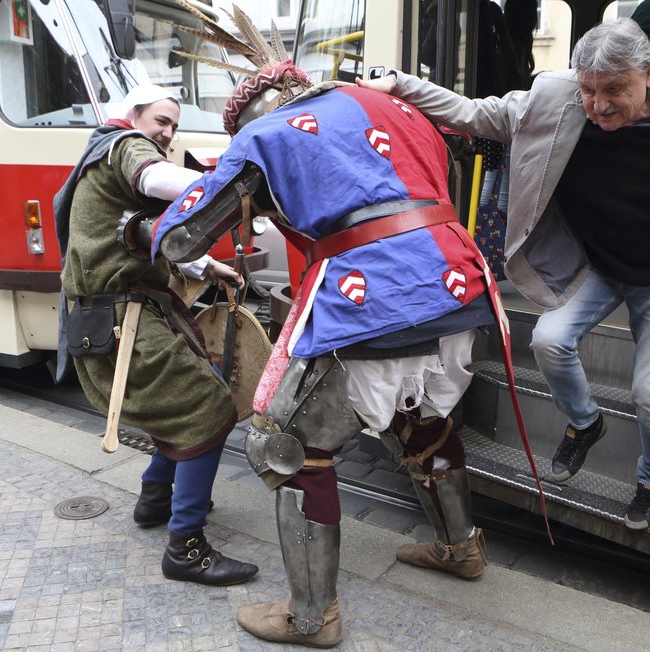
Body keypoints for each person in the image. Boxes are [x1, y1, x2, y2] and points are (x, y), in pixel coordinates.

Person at [145, 6, 529, 645]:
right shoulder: (400, 109)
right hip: (459, 288)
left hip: (372, 300)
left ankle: (310, 617)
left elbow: (182, 236)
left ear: (249, 113)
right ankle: (460, 547)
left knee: (284, 445)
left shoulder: (265, 135)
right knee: (420, 419)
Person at [358, 17, 650, 531]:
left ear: (648, 74)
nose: (598, 106)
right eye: (589, 90)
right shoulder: (557, 101)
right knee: (549, 340)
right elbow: (474, 113)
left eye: (614, 89)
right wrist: (398, 82)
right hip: (599, 266)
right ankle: (585, 422)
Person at [54, 84, 258, 586]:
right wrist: (232, 185)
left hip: (120, 316)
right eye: (161, 121)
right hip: (123, 321)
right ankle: (186, 548)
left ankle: (155, 499)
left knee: (181, 401)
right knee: (206, 406)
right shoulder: (123, 146)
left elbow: (148, 237)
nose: (167, 133)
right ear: (133, 115)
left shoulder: (100, 160)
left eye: (173, 125)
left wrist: (208, 267)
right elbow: (157, 176)